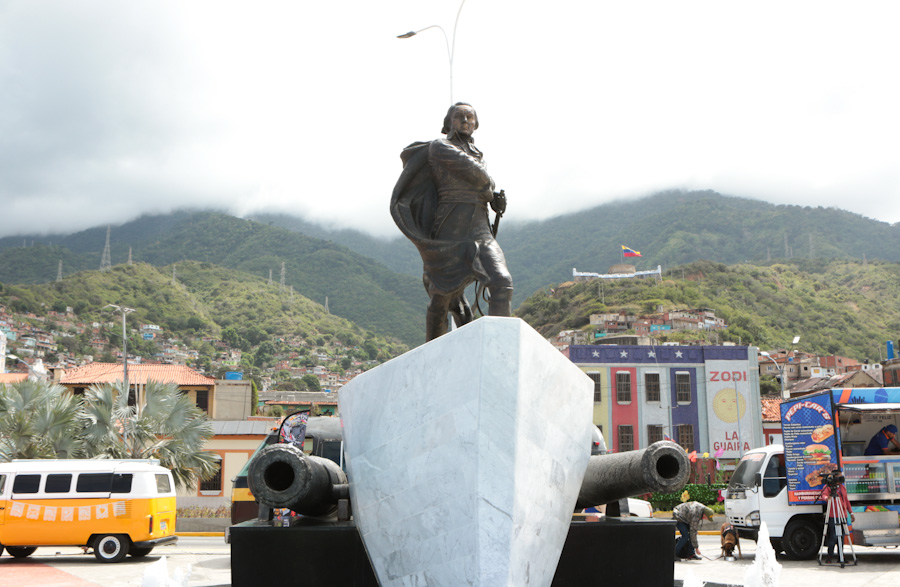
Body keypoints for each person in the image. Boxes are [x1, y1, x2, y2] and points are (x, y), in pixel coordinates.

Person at [390, 102, 513, 341]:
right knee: (442, 297)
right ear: (448, 123)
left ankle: (499, 348)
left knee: (502, 282)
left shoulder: (477, 155)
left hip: (479, 231)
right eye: (459, 117)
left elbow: (481, 184)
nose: (465, 121)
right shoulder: (440, 147)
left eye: (470, 117)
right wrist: (488, 189)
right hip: (448, 232)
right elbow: (479, 177)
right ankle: (432, 351)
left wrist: (492, 202)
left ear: (476, 125)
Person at [820, 472, 852, 564]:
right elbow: (824, 496)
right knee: (833, 536)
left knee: (841, 537)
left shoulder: (842, 487)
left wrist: (851, 513)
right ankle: (829, 556)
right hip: (833, 515)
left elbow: (846, 500)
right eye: (839, 477)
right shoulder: (829, 487)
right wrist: (827, 498)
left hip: (843, 515)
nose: (841, 479)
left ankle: (841, 556)